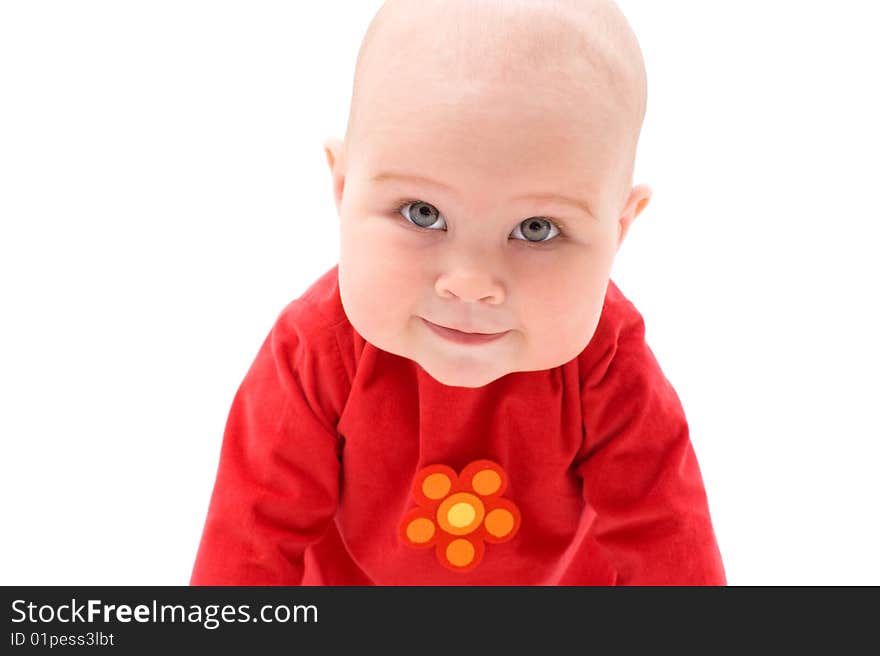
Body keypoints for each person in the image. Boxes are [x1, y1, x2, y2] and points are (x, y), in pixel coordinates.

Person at [190, 0, 726, 585]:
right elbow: (248, 546)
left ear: (618, 230)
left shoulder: (609, 365)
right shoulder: (315, 351)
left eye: (536, 229)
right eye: (422, 214)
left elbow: (671, 547)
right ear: (343, 190)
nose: (470, 283)